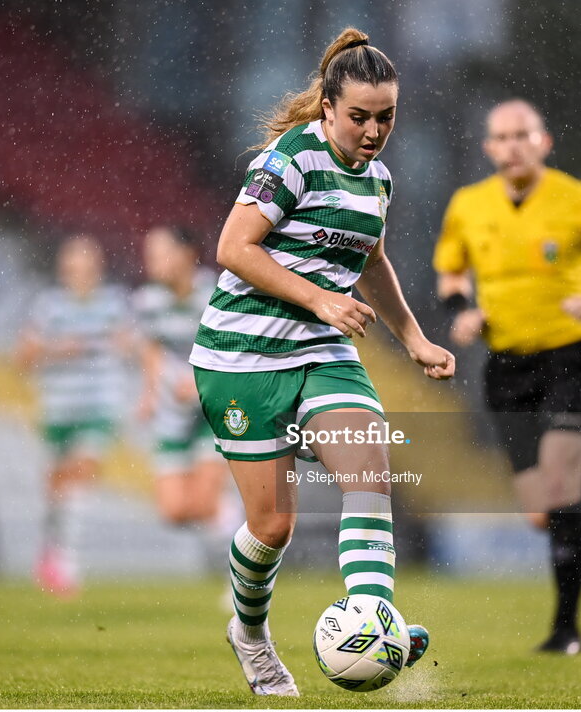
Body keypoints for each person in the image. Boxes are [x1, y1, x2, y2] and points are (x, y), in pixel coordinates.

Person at [188, 28, 455, 696]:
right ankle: (249, 636)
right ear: (329, 109)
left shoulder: (380, 181)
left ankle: (375, 620)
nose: (372, 131)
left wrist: (415, 339)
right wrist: (320, 299)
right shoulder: (292, 159)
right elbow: (233, 247)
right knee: (272, 525)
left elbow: (372, 260)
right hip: (242, 355)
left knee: (369, 465)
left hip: (323, 352)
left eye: (385, 117)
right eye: (359, 116)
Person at [432, 99, 581, 655]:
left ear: (544, 141)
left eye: (523, 135)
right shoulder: (469, 205)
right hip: (506, 366)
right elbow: (450, 269)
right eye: (501, 137)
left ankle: (566, 631)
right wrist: (460, 310)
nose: (512, 146)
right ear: (488, 147)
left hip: (572, 356)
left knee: (562, 491)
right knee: (543, 513)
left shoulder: (578, 200)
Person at [17, 236, 133, 597]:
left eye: (86, 267)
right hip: (59, 408)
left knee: (82, 474)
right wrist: (57, 349)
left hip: (99, 408)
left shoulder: (115, 304)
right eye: (73, 268)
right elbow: (22, 356)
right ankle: (51, 551)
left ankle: (66, 561)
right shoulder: (49, 307)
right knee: (56, 489)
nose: (79, 274)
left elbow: (135, 346)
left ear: (97, 269)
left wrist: (123, 344)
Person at [133, 226, 236, 568]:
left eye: (160, 253)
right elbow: (151, 346)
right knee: (174, 511)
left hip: (212, 409)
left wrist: (200, 383)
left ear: (187, 254)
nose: (152, 262)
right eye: (149, 255)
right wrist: (149, 394)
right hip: (172, 412)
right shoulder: (148, 301)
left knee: (205, 504)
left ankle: (239, 576)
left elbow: (233, 349)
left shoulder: (215, 293)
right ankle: (236, 528)